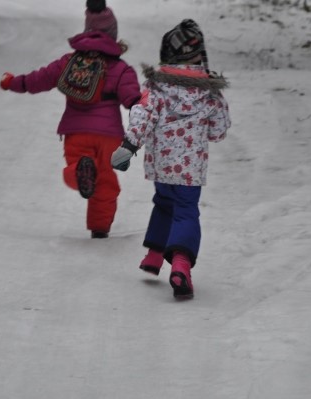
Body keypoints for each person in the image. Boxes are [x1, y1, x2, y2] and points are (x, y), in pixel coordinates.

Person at [0, 0, 141, 239]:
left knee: (78, 170)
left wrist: (12, 82)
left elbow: (37, 80)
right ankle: (100, 228)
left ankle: (80, 172)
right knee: (106, 182)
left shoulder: (69, 62)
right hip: (109, 137)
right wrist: (147, 105)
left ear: (87, 30)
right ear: (113, 35)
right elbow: (132, 100)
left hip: (76, 133)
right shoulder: (120, 68)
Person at [111, 19, 231, 299]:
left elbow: (142, 114)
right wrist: (208, 131)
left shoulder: (157, 88)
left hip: (162, 165)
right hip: (191, 169)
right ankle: (181, 266)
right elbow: (219, 128)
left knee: (164, 203)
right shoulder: (210, 92)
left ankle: (154, 255)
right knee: (186, 210)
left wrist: (130, 144)